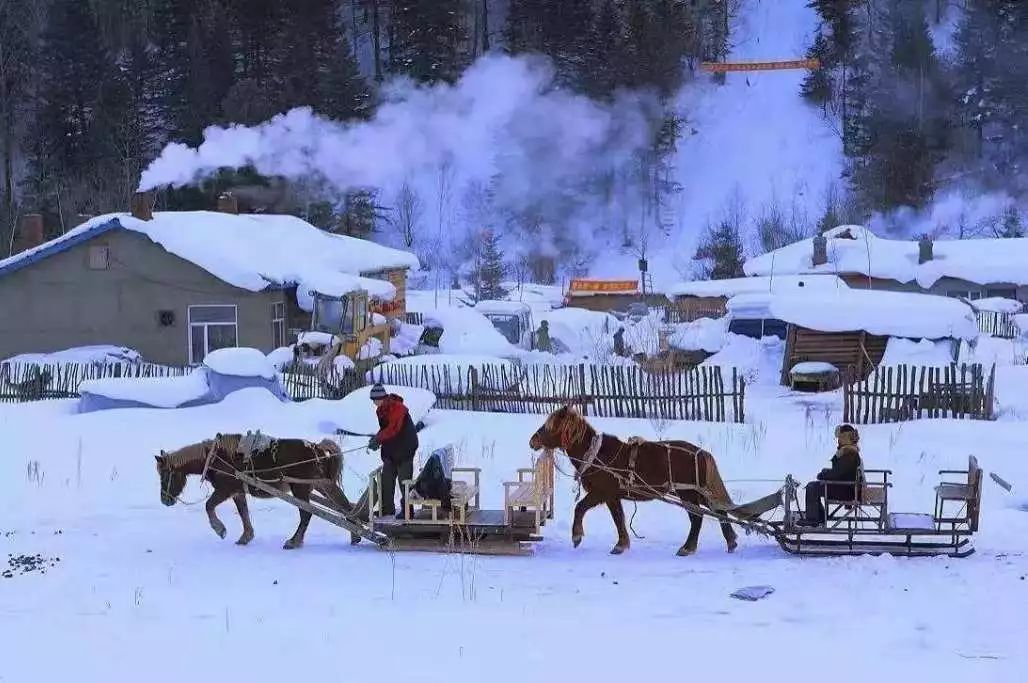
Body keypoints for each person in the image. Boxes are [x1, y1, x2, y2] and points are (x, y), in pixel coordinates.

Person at [367, 383, 419, 518]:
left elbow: (394, 428)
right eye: (373, 400)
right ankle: (387, 509)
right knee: (387, 480)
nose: (374, 403)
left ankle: (408, 512)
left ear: (382, 398)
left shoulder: (398, 408)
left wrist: (379, 438)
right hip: (391, 451)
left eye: (375, 400)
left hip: (406, 448)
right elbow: (386, 429)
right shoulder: (380, 410)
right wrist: (377, 439)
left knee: (404, 482)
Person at [799, 424, 863, 526]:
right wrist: (826, 472)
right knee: (814, 486)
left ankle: (814, 519)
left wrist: (823, 475)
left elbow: (838, 473)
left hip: (846, 490)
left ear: (845, 437)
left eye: (840, 438)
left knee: (812, 487)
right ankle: (819, 517)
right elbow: (840, 471)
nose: (838, 441)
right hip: (846, 487)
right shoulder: (848, 451)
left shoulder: (849, 453)